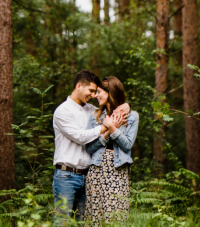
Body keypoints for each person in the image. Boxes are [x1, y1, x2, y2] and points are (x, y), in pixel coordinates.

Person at [51, 70, 129, 226]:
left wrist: (126, 105)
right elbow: (80, 137)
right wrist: (104, 128)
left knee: (83, 223)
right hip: (67, 175)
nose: (94, 95)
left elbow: (110, 107)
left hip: (88, 176)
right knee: (62, 222)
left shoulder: (90, 110)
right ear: (79, 86)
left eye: (95, 92)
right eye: (91, 91)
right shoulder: (62, 111)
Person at [84, 76, 139, 224]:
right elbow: (89, 148)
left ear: (111, 92)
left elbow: (127, 145)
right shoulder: (95, 116)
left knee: (116, 217)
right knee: (95, 218)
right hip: (96, 170)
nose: (95, 95)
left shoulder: (132, 116)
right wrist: (107, 133)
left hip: (118, 171)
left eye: (99, 92)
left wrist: (114, 128)